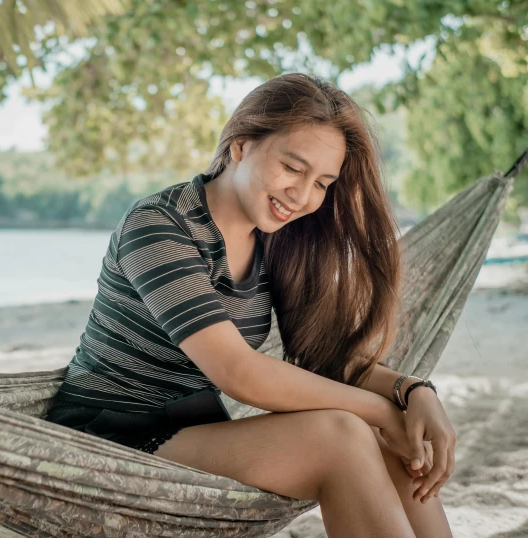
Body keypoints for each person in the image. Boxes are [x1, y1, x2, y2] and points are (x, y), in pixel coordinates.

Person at [45, 73, 455, 537]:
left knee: (385, 441)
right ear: (240, 145)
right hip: (109, 439)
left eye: (322, 183)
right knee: (343, 435)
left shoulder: (275, 240)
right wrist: (379, 410)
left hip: (194, 429)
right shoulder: (159, 226)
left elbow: (323, 360)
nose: (303, 197)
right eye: (293, 168)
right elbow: (238, 373)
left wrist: (412, 392)